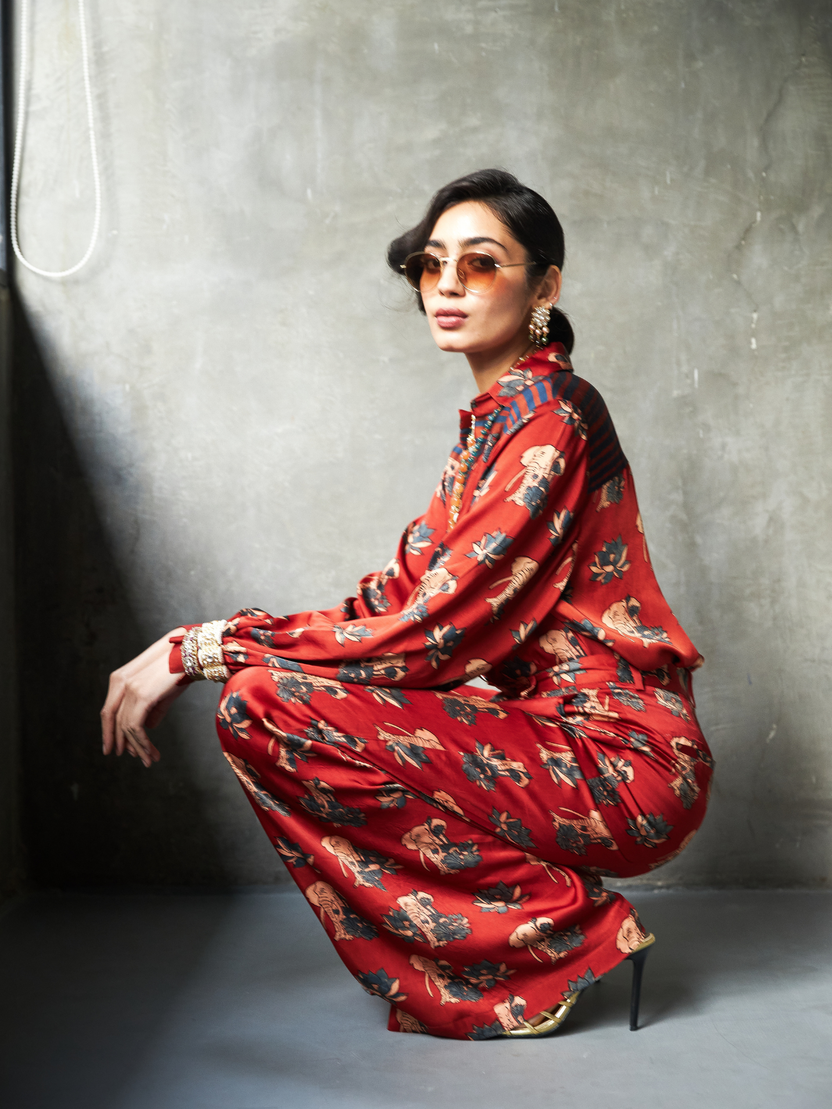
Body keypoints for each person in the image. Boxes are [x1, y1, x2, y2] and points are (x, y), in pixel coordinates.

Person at [101, 169, 713, 1041]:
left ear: (545, 287)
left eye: (481, 263)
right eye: (432, 265)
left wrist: (202, 648)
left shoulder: (555, 417)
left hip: (621, 760)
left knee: (265, 702)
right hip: (550, 738)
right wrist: (205, 643)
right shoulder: (496, 423)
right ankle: (539, 933)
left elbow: (427, 638)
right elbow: (386, 604)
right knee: (261, 703)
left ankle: (565, 934)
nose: (448, 285)